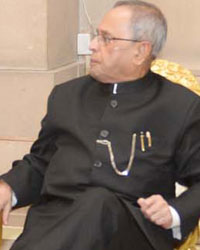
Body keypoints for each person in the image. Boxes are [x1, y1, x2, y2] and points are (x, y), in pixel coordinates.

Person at [0, 1, 200, 249]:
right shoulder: (66, 96)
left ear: (140, 51)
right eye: (96, 35)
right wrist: (9, 186)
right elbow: (42, 162)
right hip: (55, 222)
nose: (92, 45)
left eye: (106, 39)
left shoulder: (180, 106)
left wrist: (174, 212)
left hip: (132, 231)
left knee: (97, 202)